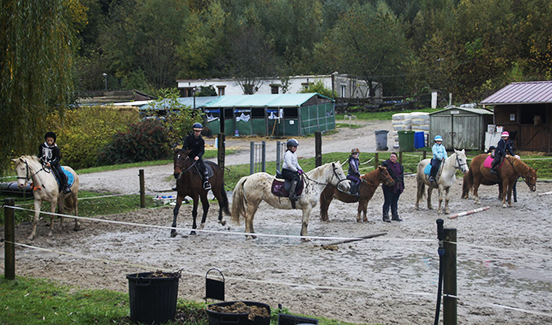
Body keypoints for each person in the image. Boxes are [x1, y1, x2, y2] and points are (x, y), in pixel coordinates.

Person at [182, 123, 211, 190]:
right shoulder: (188, 139)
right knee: (181, 167)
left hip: (197, 157)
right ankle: (179, 184)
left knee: (203, 167)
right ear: (193, 131)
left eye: (199, 131)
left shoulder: (201, 140)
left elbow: (202, 151)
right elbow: (184, 148)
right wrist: (186, 155)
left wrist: (198, 156)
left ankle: (206, 182)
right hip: (189, 156)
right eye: (196, 131)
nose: (197, 133)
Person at [381, 152, 404, 222]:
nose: (392, 158)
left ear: (396, 158)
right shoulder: (386, 165)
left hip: (398, 186)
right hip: (389, 186)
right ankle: (385, 216)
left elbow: (401, 175)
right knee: (387, 201)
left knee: (395, 202)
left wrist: (402, 185)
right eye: (391, 157)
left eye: (394, 157)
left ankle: (395, 215)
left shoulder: (400, 166)